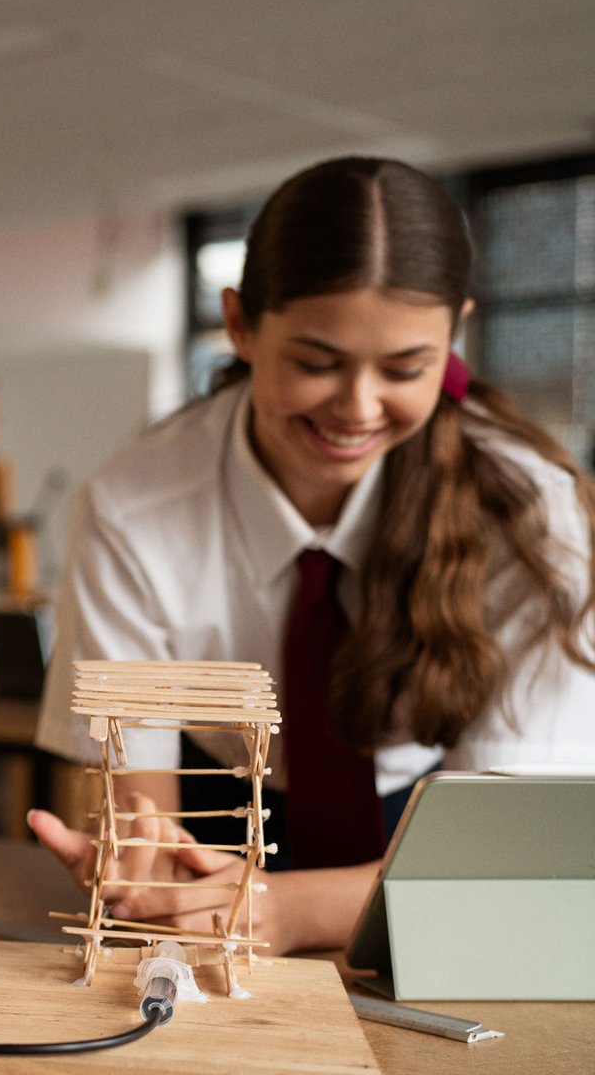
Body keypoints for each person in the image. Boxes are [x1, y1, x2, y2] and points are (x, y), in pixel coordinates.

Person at [30, 156, 595, 957]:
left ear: (453, 335)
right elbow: (146, 802)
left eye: (407, 369)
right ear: (240, 325)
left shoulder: (531, 514)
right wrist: (145, 861)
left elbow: (500, 855)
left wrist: (284, 911)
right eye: (317, 363)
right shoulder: (135, 504)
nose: (358, 408)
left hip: (432, 823)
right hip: (221, 819)